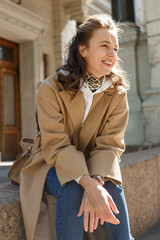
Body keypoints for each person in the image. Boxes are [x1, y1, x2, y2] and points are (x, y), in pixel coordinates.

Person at [20, 14, 134, 240]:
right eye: (104, 46)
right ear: (83, 50)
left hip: (94, 162)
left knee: (111, 184)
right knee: (71, 187)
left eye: (115, 49)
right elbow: (56, 145)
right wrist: (87, 184)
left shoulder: (117, 92)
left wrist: (97, 183)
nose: (112, 54)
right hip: (49, 161)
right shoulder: (50, 88)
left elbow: (110, 144)